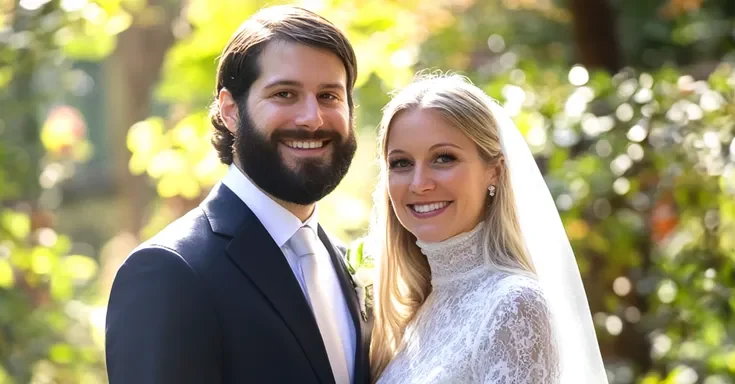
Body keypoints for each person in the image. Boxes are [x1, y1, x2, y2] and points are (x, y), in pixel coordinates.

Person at [105, 5, 372, 384]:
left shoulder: (346, 265)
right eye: (284, 94)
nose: (312, 118)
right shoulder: (169, 271)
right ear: (231, 111)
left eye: (329, 96)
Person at [367, 73, 608, 383]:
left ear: (494, 172)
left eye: (443, 158)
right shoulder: (412, 312)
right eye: (401, 163)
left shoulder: (514, 305)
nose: (419, 183)